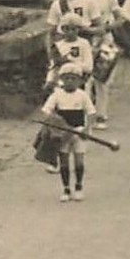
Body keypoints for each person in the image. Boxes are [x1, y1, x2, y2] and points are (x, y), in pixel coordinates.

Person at [41, 63, 96, 202]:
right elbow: (46, 111)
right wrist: (55, 123)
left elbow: (91, 113)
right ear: (62, 79)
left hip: (78, 132)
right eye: (67, 78)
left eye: (73, 78)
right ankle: (66, 188)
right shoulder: (57, 95)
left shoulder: (82, 95)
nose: (70, 81)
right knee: (64, 162)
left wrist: (87, 128)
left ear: (79, 80)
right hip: (63, 135)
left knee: (79, 161)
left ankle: (78, 186)